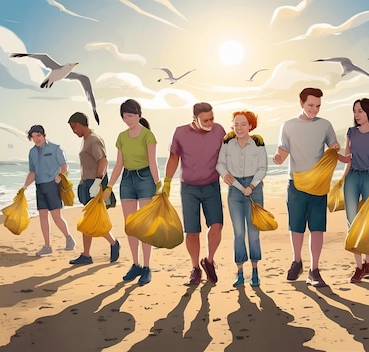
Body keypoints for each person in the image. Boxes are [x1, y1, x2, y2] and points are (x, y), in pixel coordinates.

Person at [273, 87, 340, 287]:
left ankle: (315, 270)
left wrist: (338, 149)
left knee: (317, 228)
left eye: (318, 106)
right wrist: (277, 158)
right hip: (296, 183)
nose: (314, 109)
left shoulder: (325, 125)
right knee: (296, 227)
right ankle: (297, 261)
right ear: (301, 103)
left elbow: (333, 147)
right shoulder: (288, 125)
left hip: (318, 185)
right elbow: (283, 152)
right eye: (311, 105)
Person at [163, 102, 226, 286]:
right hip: (189, 188)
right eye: (205, 120)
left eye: (212, 118)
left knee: (217, 225)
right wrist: (166, 182)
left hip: (212, 186)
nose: (210, 123)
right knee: (192, 232)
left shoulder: (219, 130)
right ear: (194, 118)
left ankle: (209, 260)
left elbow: (229, 154)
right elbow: (173, 158)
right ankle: (195, 268)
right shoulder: (180, 132)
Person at [104, 99, 159, 286]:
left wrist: (159, 184)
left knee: (144, 226)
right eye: (125, 116)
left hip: (145, 180)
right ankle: (135, 264)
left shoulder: (148, 136)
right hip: (127, 180)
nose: (128, 119)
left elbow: (153, 162)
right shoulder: (121, 137)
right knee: (130, 226)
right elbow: (119, 164)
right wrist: (109, 186)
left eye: (131, 115)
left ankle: (146, 267)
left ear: (139, 115)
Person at [338, 98, 369, 283]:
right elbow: (347, 158)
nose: (356, 115)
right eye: (355, 111)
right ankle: (358, 267)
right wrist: (342, 176)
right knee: (353, 222)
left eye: (360, 111)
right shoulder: (351, 132)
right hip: (352, 178)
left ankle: (367, 264)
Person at [216, 110, 267, 287]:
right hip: (235, 191)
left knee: (254, 233)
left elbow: (262, 168)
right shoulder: (227, 143)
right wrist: (225, 175)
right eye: (236, 124)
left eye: (243, 124)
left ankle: (254, 272)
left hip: (255, 189)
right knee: (238, 232)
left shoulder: (258, 144)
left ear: (251, 126)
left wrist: (251, 186)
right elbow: (220, 164)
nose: (239, 128)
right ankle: (239, 273)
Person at [67, 112, 121, 264]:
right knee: (89, 220)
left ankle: (111, 244)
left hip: (94, 184)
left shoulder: (94, 140)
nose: (73, 131)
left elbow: (103, 161)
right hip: (86, 183)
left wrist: (97, 182)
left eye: (73, 127)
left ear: (79, 124)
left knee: (92, 220)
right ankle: (88, 254)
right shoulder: (85, 140)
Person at [23, 125, 77, 256]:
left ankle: (69, 239)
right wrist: (24, 187)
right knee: (42, 217)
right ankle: (47, 246)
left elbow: (64, 166)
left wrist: (59, 177)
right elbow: (32, 172)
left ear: (44, 135)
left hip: (52, 185)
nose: (36, 139)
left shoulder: (55, 148)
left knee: (56, 216)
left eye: (38, 136)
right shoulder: (32, 152)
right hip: (39, 186)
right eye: (33, 137)